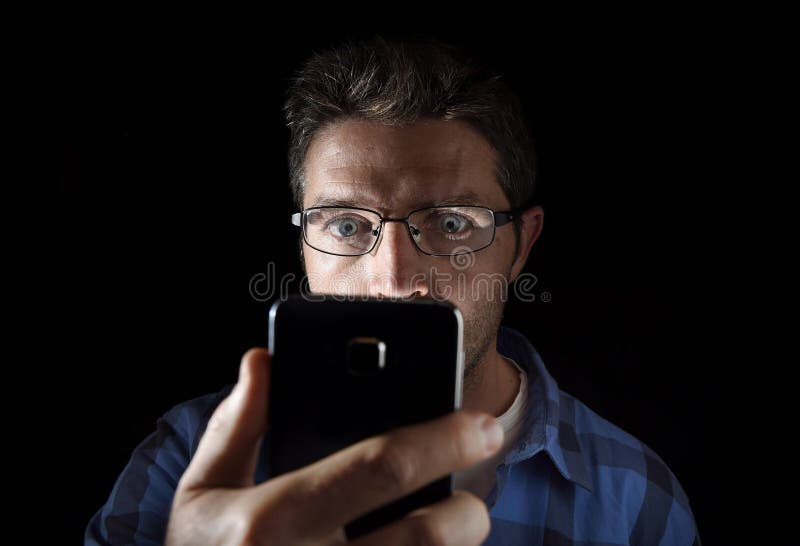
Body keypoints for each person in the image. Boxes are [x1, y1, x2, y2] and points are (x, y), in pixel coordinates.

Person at [85, 36, 701, 545]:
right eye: (348, 225)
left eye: (453, 223)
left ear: (521, 247)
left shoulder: (637, 497)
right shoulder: (183, 465)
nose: (395, 281)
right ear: (302, 244)